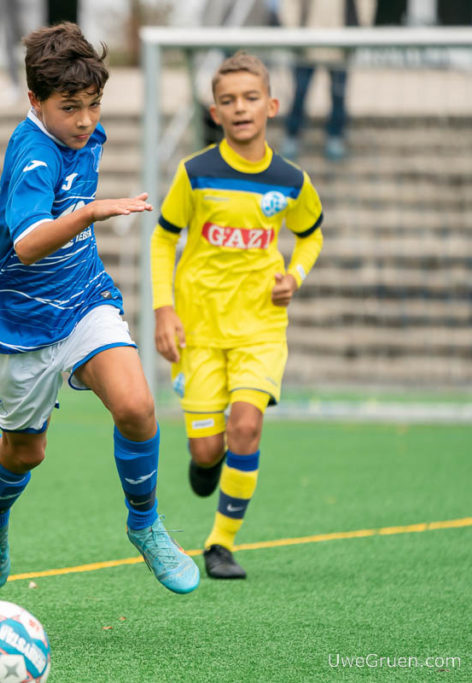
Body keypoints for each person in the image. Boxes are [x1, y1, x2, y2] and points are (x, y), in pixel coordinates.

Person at [0, 22, 200, 595]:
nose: (84, 120)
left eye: (93, 105)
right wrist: (89, 214)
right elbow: (25, 244)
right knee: (27, 452)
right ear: (35, 102)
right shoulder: (33, 155)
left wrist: (88, 219)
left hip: (85, 301)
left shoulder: (84, 136)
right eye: (69, 107)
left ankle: (145, 524)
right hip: (22, 322)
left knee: (137, 407)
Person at [151, 51, 325, 579]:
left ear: (271, 106)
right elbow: (163, 239)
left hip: (260, 329)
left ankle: (220, 544)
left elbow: (311, 235)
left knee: (246, 426)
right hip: (199, 331)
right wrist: (164, 311)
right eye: (228, 100)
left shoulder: (291, 180)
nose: (241, 108)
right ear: (215, 111)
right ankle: (206, 465)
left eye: (251, 98)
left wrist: (294, 276)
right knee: (208, 451)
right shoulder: (195, 172)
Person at [278, 0, 369, 161]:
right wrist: (292, 32)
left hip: (341, 43)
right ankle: (292, 135)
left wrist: (359, 29)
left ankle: (335, 136)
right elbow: (290, 5)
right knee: (300, 90)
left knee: (338, 93)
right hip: (306, 43)